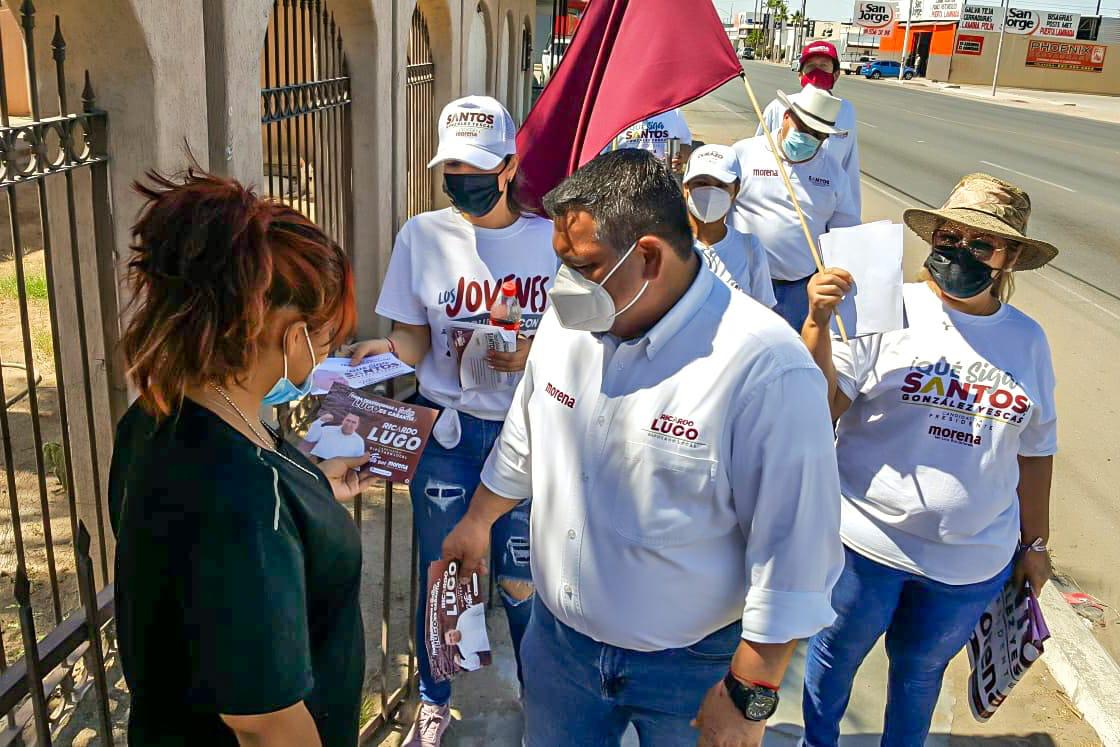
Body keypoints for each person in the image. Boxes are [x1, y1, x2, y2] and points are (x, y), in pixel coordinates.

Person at [442, 149, 844, 746]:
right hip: (560, 654)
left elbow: (794, 556)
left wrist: (747, 697)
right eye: (561, 264)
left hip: (692, 668)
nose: (565, 287)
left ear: (649, 256)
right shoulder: (566, 327)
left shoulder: (766, 370)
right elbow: (524, 439)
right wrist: (477, 520)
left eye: (585, 266)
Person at [109, 171, 375, 747]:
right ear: (288, 333)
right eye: (327, 336)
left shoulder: (163, 415)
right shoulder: (241, 502)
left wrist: (313, 490)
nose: (330, 353)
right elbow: (265, 725)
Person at [799, 173, 1059, 746]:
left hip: (968, 569)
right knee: (833, 663)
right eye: (949, 235)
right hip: (865, 547)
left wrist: (1035, 546)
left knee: (919, 677)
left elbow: (1036, 453)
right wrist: (817, 324)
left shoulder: (1028, 340)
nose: (959, 251)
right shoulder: (890, 309)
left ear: (1009, 258)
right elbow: (823, 405)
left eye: (980, 243)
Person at [346, 95, 557, 746]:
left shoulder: (550, 241)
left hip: (527, 436)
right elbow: (412, 340)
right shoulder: (423, 236)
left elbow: (583, 344)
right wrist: (375, 355)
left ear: (508, 166)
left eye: (476, 169)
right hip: (448, 432)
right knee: (446, 576)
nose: (463, 183)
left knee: (523, 580)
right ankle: (435, 701)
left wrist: (532, 350)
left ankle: (538, 696)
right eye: (452, 171)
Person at [734, 84, 860, 330]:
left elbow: (845, 232)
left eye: (818, 135)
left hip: (798, 290)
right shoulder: (744, 153)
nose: (808, 139)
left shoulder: (834, 173)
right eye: (803, 128)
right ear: (786, 117)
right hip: (743, 282)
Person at [757, 41, 861, 214]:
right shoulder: (778, 107)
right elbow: (757, 154)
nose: (817, 71)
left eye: (824, 66)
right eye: (811, 66)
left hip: (823, 207)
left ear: (836, 74)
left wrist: (852, 215)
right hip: (778, 202)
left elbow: (849, 166)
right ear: (800, 74)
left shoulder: (846, 111)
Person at [683, 144, 776, 308]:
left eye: (720, 185)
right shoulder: (667, 246)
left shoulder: (750, 247)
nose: (710, 192)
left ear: (736, 190)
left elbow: (764, 311)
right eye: (701, 183)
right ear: (686, 188)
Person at [608, 108, 694, 173]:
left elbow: (686, 146)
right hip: (627, 177)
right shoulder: (619, 112)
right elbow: (604, 154)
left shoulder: (673, 112)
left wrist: (679, 157)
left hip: (663, 179)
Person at [302, 412, 367, 459]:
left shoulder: (359, 441)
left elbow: (356, 461)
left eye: (353, 422)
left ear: (357, 425)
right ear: (343, 420)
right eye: (348, 420)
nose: (349, 424)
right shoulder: (327, 429)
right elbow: (310, 438)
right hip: (314, 462)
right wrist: (320, 421)